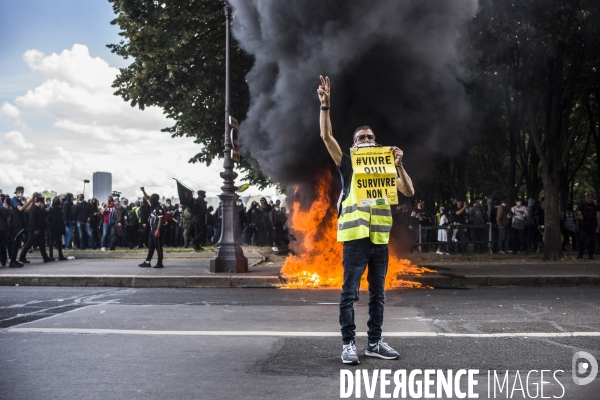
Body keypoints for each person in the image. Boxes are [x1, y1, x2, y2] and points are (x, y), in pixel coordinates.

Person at [318, 75, 414, 364]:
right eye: (361, 139)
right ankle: (348, 343)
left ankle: (374, 342)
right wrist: (325, 107)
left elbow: (408, 190)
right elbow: (326, 137)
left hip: (379, 240)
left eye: (370, 137)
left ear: (377, 141)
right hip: (355, 238)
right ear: (354, 145)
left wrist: (399, 166)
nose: (366, 141)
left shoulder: (386, 164)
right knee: (349, 293)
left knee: (378, 295)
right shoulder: (348, 163)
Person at [19, 196, 52, 263]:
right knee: (29, 243)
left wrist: (46, 211)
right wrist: (35, 229)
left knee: (42, 244)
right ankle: (22, 257)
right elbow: (32, 220)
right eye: (42, 202)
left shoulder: (38, 209)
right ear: (40, 202)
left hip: (40, 229)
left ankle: (45, 257)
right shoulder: (33, 209)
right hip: (34, 230)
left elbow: (41, 216)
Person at [9, 186, 35, 268]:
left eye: (22, 191)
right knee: (15, 242)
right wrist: (28, 202)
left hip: (20, 222)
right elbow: (20, 209)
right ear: (17, 191)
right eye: (20, 191)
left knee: (18, 243)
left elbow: (26, 210)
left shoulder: (19, 200)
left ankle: (15, 260)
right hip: (16, 222)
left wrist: (31, 203)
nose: (21, 193)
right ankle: (12, 261)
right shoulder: (14, 199)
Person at [139, 193, 165, 268]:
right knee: (151, 246)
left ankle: (160, 262)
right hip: (152, 228)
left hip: (156, 228)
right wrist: (143, 191)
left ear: (154, 199)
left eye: (151, 198)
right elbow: (147, 198)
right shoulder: (153, 206)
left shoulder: (158, 208)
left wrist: (157, 230)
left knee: (158, 246)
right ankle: (147, 262)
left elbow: (160, 219)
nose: (149, 200)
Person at [576, 193, 600, 259]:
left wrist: (598, 227)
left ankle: (591, 255)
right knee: (582, 239)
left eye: (589, 198)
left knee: (592, 240)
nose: (587, 199)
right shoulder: (582, 206)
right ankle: (580, 254)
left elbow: (598, 217)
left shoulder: (595, 207)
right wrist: (580, 216)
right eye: (586, 198)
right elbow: (579, 214)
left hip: (593, 225)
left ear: (592, 199)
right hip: (584, 225)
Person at [47, 196, 67, 261]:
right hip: (53, 227)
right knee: (52, 242)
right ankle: (51, 255)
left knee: (59, 241)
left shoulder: (59, 208)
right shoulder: (51, 209)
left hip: (58, 226)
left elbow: (61, 218)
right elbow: (48, 219)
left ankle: (59, 254)